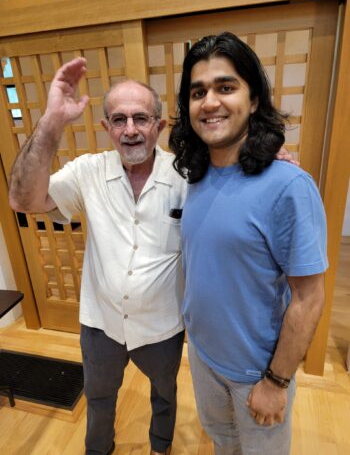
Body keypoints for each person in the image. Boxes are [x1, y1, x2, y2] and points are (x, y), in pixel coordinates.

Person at [8, 57, 187, 455]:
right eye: (118, 119)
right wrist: (52, 120)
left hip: (162, 324)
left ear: (159, 125)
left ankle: (161, 447)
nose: (130, 130)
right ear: (105, 127)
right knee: (100, 397)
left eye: (141, 118)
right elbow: (22, 200)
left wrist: (273, 159)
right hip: (101, 322)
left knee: (165, 394)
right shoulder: (88, 171)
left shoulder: (186, 174)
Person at [169, 32, 328, 455]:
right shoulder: (197, 175)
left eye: (226, 87)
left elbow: (309, 297)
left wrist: (276, 382)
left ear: (253, 100)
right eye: (198, 91)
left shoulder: (289, 185)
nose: (210, 102)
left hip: (256, 370)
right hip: (204, 356)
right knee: (223, 444)